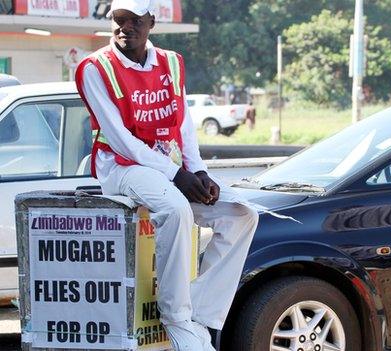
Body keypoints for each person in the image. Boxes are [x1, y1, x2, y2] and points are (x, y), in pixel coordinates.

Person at [75, 1, 258, 350]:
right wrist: (177, 175)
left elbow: (184, 125)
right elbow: (120, 140)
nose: (124, 28)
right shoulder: (95, 68)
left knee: (242, 214)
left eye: (134, 21)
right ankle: (175, 318)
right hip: (121, 167)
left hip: (168, 166)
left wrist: (199, 171)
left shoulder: (171, 62)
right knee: (175, 209)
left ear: (152, 22)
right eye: (118, 20)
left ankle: (200, 313)